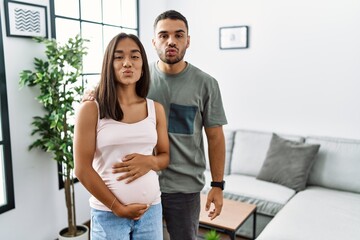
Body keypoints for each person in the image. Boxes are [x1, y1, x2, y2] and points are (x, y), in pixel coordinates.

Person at [83, 10, 228, 240]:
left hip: (183, 188)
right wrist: (94, 90)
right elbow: (114, 81)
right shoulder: (140, 78)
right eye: (163, 35)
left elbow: (216, 138)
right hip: (140, 188)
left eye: (179, 35)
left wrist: (217, 185)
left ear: (188, 40)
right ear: (153, 42)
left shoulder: (206, 84)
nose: (171, 41)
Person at [73, 32, 169, 240]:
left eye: (135, 56)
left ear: (143, 65)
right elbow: (82, 169)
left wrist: (149, 161)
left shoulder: (155, 109)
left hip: (151, 211)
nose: (127, 63)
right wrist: (117, 207)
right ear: (109, 64)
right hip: (108, 215)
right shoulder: (91, 109)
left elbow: (164, 157)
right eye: (119, 57)